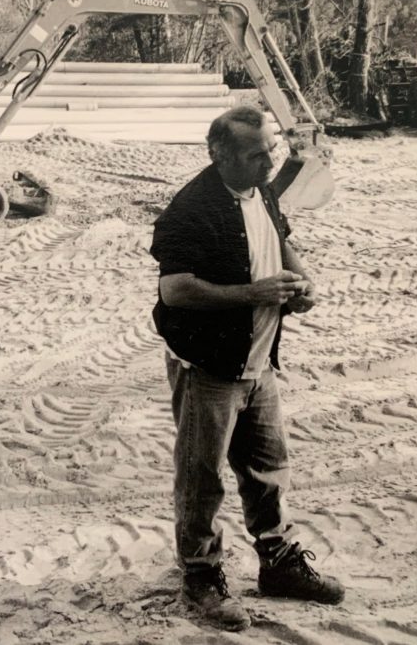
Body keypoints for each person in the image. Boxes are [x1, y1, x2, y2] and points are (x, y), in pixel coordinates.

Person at [149, 105, 345, 632]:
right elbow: (175, 288)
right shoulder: (192, 209)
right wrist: (253, 294)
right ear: (220, 155)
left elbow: (279, 239)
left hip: (258, 363)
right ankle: (201, 576)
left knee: (266, 469)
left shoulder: (263, 191)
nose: (269, 163)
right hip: (209, 366)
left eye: (272, 152)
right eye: (257, 155)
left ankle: (279, 563)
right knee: (202, 476)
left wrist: (301, 281)